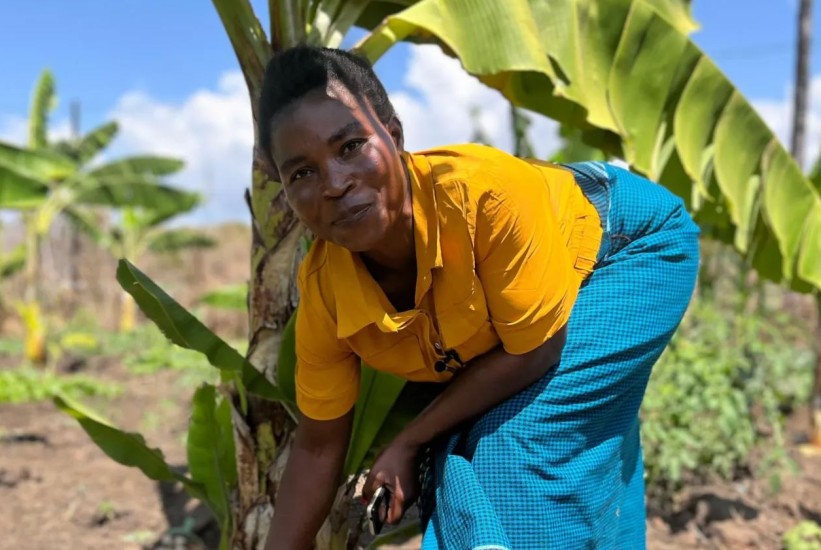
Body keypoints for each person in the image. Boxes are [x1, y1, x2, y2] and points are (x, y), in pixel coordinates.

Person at [258, 45, 699, 550]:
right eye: (302, 173)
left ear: (393, 135)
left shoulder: (484, 198)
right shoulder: (327, 292)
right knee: (461, 448)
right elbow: (317, 448)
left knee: (514, 444)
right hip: (533, 321)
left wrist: (408, 438)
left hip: (627, 249)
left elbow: (535, 350)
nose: (335, 183)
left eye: (351, 146)